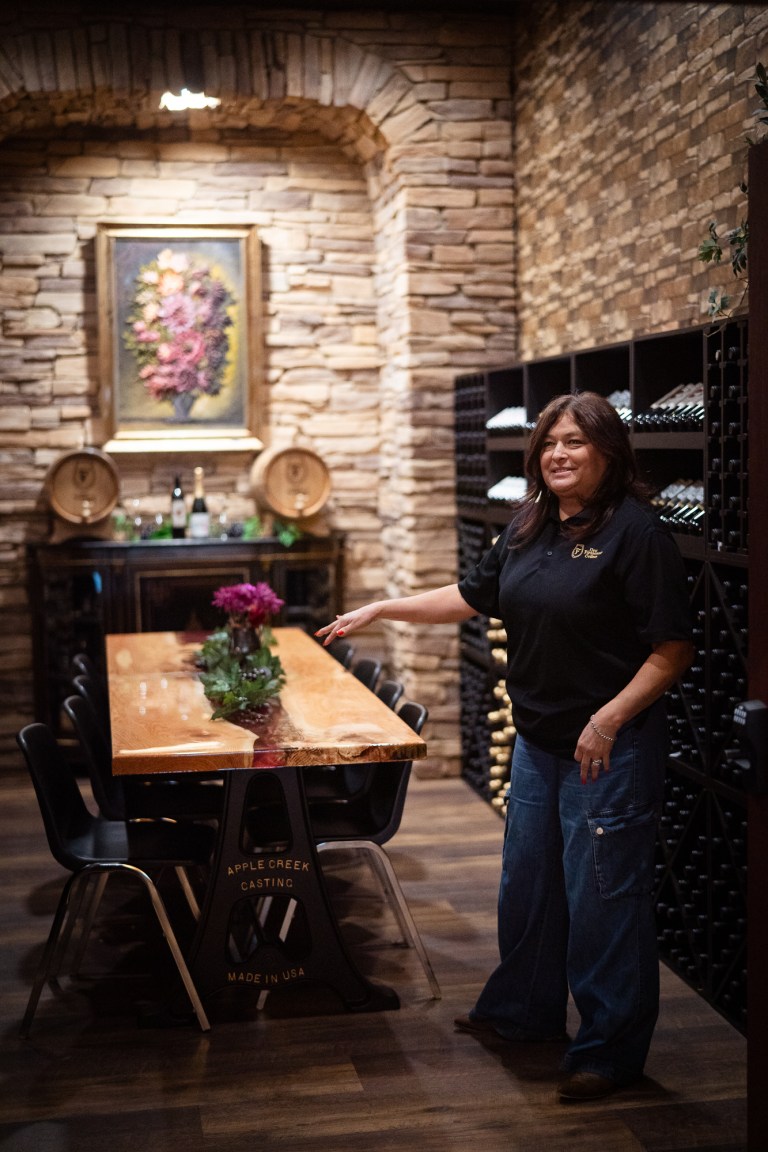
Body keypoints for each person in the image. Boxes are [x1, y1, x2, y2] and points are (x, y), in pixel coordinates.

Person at [315, 391, 694, 1103]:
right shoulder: (529, 524)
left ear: (609, 452)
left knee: (604, 903)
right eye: (550, 442)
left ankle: (610, 1052)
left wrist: (609, 718)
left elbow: (672, 651)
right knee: (528, 889)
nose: (559, 453)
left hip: (605, 752)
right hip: (538, 743)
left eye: (576, 442)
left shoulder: (638, 535)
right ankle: (523, 1014)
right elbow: (469, 594)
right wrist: (383, 606)